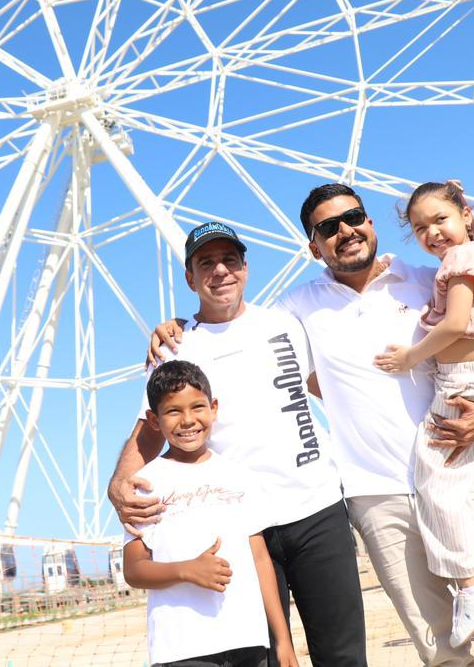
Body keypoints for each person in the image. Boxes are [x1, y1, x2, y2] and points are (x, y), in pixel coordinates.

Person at [152, 185, 474, 666]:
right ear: (314, 247)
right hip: (378, 498)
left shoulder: (431, 281)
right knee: (440, 651)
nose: (345, 231)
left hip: (464, 474)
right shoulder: (295, 311)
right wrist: (179, 328)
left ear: (370, 222)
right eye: (328, 228)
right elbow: (236, 328)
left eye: (353, 217)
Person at [110, 222, 367, 666]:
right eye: (206, 263)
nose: (220, 271)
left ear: (245, 268)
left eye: (230, 260)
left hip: (316, 508)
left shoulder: (287, 323)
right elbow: (149, 428)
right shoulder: (174, 349)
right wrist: (120, 483)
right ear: (190, 278)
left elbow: (337, 385)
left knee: (343, 656)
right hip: (242, 528)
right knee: (268, 657)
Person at [371, 181, 474, 647]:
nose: (432, 233)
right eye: (420, 228)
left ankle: (469, 583)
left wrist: (411, 357)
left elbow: (457, 323)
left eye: (440, 219)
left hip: (463, 377)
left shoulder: (460, 259)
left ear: (465, 214)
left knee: (433, 476)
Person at [123, 360, 298, 667]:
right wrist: (186, 570)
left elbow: (260, 559)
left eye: (197, 407)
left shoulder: (239, 475)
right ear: (154, 419)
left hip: (248, 641)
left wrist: (283, 641)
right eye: (173, 411)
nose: (188, 420)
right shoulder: (145, 485)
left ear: (213, 408)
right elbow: (134, 569)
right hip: (182, 649)